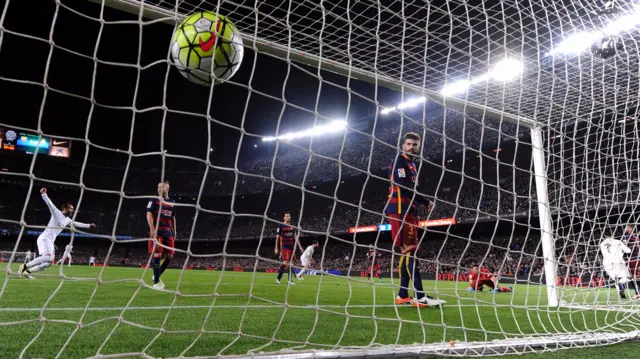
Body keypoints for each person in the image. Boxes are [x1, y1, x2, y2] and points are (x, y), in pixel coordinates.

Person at [385, 132, 445, 308]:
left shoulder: (411, 164)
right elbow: (403, 186)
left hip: (407, 209)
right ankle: (419, 296)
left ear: (418, 147)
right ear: (403, 145)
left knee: (408, 252)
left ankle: (403, 295)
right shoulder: (400, 161)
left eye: (415, 145)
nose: (412, 147)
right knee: (410, 251)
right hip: (400, 209)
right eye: (409, 144)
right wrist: (425, 201)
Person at [19, 188, 95, 278]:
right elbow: (49, 204)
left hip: (50, 241)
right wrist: (43, 194)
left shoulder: (67, 220)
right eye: (71, 208)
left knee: (49, 262)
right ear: (65, 208)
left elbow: (76, 224)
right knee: (48, 257)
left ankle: (28, 272)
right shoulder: (56, 213)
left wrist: (88, 225)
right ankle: (24, 266)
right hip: (44, 238)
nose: (72, 211)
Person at [147, 181, 176, 290]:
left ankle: (157, 274)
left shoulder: (172, 202)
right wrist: (152, 228)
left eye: (162, 187)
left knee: (170, 256)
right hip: (157, 231)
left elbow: (173, 218)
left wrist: (174, 231)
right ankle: (156, 282)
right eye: (158, 186)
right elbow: (148, 214)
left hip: (168, 231)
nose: (159, 188)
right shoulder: (154, 200)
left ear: (167, 188)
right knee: (157, 255)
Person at [274, 212, 304, 284]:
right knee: (285, 262)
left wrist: (300, 247)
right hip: (285, 247)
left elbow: (295, 237)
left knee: (290, 263)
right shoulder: (281, 226)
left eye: (289, 216)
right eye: (287, 216)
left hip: (291, 248)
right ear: (284, 218)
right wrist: (276, 247)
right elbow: (277, 237)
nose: (289, 217)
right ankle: (278, 278)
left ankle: (289, 280)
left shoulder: (292, 227)